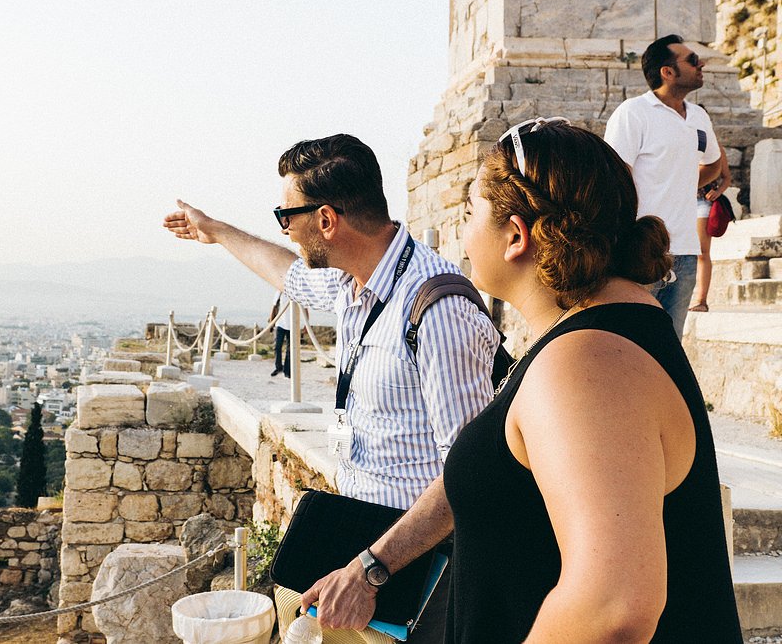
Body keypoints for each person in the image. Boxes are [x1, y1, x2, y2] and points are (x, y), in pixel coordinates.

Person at [301, 119, 742, 643]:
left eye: (470, 215)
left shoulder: (587, 363)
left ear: (515, 235)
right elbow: (492, 470)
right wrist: (374, 565)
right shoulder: (586, 334)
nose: (462, 234)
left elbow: (613, 605)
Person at [164, 133, 499, 642]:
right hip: (366, 551)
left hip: (417, 575)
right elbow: (288, 275)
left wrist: (370, 570)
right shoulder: (353, 282)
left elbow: (470, 476)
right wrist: (216, 232)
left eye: (287, 216)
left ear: (326, 220)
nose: (286, 230)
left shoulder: (437, 310)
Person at [605, 34, 722, 338]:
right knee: (630, 343)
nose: (702, 64)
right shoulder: (633, 113)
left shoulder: (698, 116)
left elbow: (714, 165)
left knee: (670, 347)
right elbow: (614, 177)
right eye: (692, 60)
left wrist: (682, 183)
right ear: (667, 72)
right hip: (641, 248)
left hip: (684, 250)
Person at [691, 140, 731, 312]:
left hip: (703, 202)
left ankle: (702, 300)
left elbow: (727, 177)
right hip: (681, 201)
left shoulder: (716, 147)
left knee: (702, 251)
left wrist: (718, 191)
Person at [270, 291, 291, 377]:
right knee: (277, 346)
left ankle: (287, 370)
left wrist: (306, 323)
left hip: (292, 324)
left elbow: (304, 308)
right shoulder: (279, 292)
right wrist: (272, 322)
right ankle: (278, 367)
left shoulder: (296, 291)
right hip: (280, 323)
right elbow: (274, 307)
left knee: (290, 349)